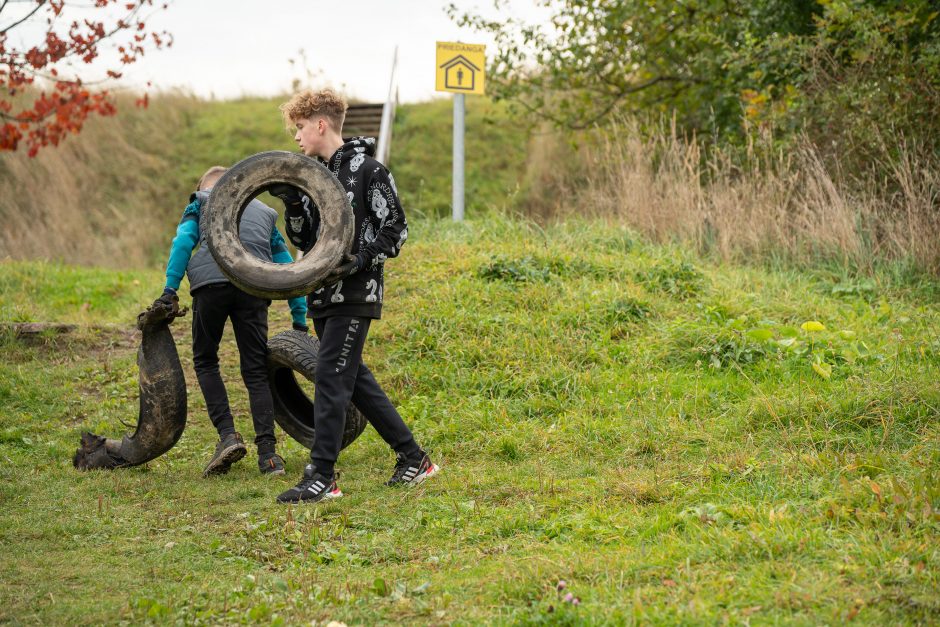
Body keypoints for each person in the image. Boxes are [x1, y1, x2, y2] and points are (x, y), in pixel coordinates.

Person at [270, 88, 438, 504]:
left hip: (357, 291)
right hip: (323, 294)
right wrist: (294, 203)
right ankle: (414, 458)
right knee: (354, 379)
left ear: (321, 125)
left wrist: (359, 259)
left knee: (330, 376)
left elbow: (396, 228)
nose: (296, 137)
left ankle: (321, 474)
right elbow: (304, 238)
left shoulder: (369, 171)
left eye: (300, 127)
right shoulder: (314, 178)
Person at [158, 166, 309, 477]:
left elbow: (183, 243)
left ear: (206, 187)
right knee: (255, 369)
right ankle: (268, 456)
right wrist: (299, 317)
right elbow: (286, 265)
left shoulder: (200, 202)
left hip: (209, 287)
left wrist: (169, 290)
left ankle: (227, 436)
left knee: (205, 360)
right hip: (252, 286)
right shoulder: (264, 211)